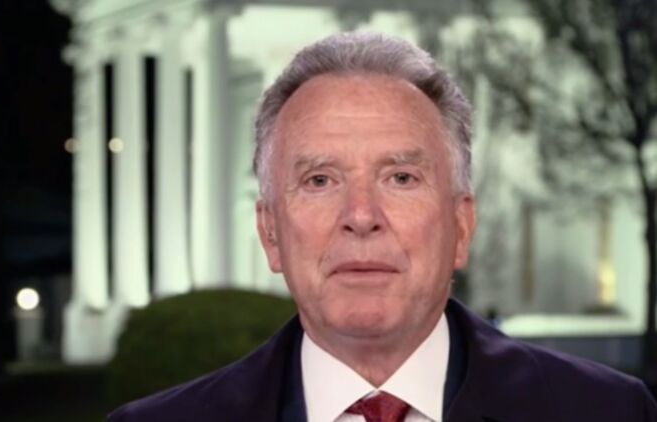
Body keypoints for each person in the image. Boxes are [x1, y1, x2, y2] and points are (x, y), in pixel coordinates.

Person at [108, 32, 657, 422]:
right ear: (270, 232)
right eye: (320, 180)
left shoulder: (608, 411)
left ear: (461, 225)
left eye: (400, 178)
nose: (361, 216)